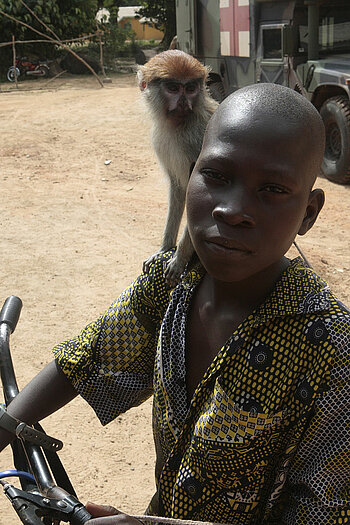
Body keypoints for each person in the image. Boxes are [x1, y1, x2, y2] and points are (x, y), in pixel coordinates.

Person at [1, 84, 349, 525]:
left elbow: (323, 514)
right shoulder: (172, 285)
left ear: (309, 213)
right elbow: (84, 360)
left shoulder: (333, 353)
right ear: (190, 174)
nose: (232, 209)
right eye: (217, 176)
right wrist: (7, 425)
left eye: (273, 189)